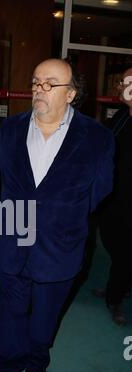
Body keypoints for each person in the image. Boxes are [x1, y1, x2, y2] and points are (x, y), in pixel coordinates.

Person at [0, 59, 114, 372]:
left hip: (61, 247)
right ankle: (7, 369)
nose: (39, 89)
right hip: (14, 240)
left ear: (71, 94)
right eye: (35, 82)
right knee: (11, 311)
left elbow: (99, 191)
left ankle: (36, 365)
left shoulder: (98, 139)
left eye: (50, 83)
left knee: (46, 316)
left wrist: (61, 217)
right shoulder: (8, 130)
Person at [92, 67, 132, 326]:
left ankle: (115, 297)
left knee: (125, 252)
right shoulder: (120, 116)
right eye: (123, 81)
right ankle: (117, 285)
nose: (121, 86)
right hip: (112, 196)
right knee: (111, 242)